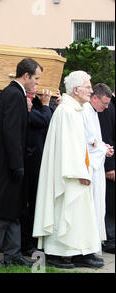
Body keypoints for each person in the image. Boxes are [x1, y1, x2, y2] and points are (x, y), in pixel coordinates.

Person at [33, 70, 104, 269]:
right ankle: (58, 253)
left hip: (80, 170)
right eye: (88, 87)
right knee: (65, 211)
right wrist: (79, 172)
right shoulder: (66, 111)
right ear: (75, 89)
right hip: (68, 174)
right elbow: (66, 147)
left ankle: (80, 251)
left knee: (82, 214)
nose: (91, 91)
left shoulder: (76, 110)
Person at [0, 58, 42, 267]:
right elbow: (12, 133)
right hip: (6, 164)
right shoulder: (15, 95)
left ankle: (13, 254)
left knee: (14, 210)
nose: (37, 83)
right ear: (26, 76)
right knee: (0, 211)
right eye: (36, 78)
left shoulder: (13, 93)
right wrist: (17, 165)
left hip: (10, 163)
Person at [20, 86, 53, 256]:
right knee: (26, 204)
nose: (34, 93)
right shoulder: (24, 106)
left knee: (35, 203)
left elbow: (51, 118)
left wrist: (50, 103)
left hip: (37, 160)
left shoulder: (37, 106)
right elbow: (44, 121)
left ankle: (32, 240)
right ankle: (25, 243)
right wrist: (46, 104)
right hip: (28, 161)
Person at [82, 83, 114, 250]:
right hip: (90, 168)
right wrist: (102, 148)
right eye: (105, 102)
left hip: (98, 165)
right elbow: (86, 141)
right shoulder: (85, 111)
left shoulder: (95, 111)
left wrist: (103, 147)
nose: (107, 106)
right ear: (95, 97)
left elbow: (96, 139)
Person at [99, 91, 115, 254]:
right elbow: (106, 135)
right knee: (111, 201)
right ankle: (110, 239)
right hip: (111, 162)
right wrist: (109, 166)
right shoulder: (108, 106)